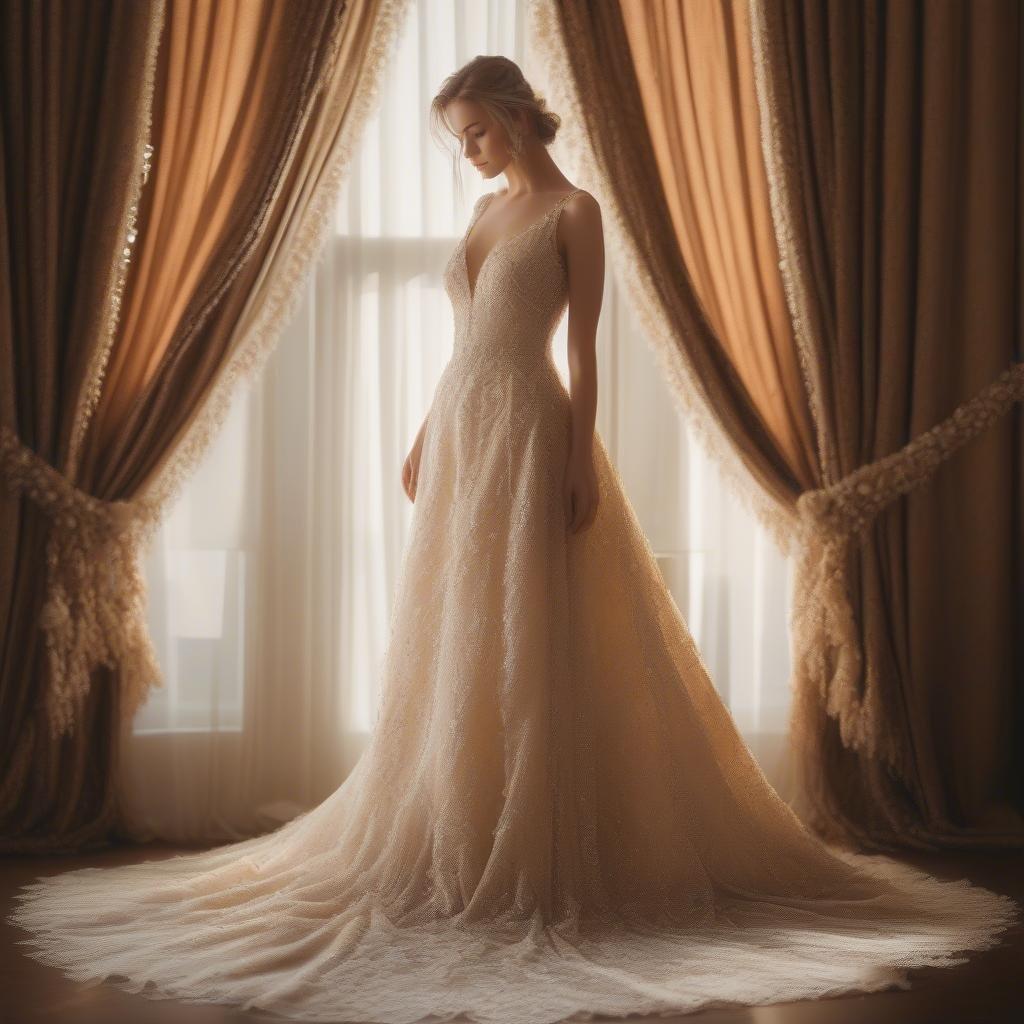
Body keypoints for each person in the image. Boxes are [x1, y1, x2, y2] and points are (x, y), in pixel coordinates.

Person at [10, 54, 1017, 1024]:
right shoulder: (485, 210)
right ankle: (456, 812)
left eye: (476, 132)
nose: (470, 153)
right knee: (457, 623)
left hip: (534, 431)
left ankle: (530, 833)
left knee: (531, 622)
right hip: (462, 426)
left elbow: (579, 358)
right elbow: (469, 341)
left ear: (515, 113)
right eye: (459, 140)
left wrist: (581, 459)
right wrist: (422, 429)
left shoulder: (575, 214)